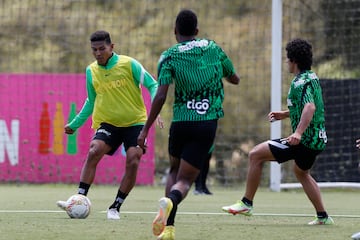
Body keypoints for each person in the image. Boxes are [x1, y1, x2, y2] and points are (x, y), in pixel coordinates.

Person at [137, 9, 240, 240]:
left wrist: (145, 129)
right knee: (185, 181)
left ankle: (168, 229)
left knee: (174, 171)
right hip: (205, 123)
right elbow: (234, 78)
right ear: (196, 31)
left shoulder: (169, 56)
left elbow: (161, 95)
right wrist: (220, 75)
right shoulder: (213, 48)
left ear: (175, 31)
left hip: (181, 122)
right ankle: (170, 202)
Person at [222, 38, 334, 225]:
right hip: (318, 139)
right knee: (301, 172)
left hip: (306, 140)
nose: (286, 62)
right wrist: (285, 114)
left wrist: (297, 133)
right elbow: (306, 108)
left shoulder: (299, 83)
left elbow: (310, 108)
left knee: (255, 154)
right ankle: (323, 217)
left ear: (293, 61)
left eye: (287, 59)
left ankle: (246, 204)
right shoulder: (312, 77)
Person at [56, 30, 160, 220]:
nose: (97, 53)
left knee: (134, 159)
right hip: (108, 123)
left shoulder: (129, 64)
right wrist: (75, 124)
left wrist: (156, 109)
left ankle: (115, 207)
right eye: (94, 49)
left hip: (135, 122)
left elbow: (153, 85)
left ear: (112, 47)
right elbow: (91, 100)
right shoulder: (91, 71)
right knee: (94, 150)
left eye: (101, 48)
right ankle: (78, 199)